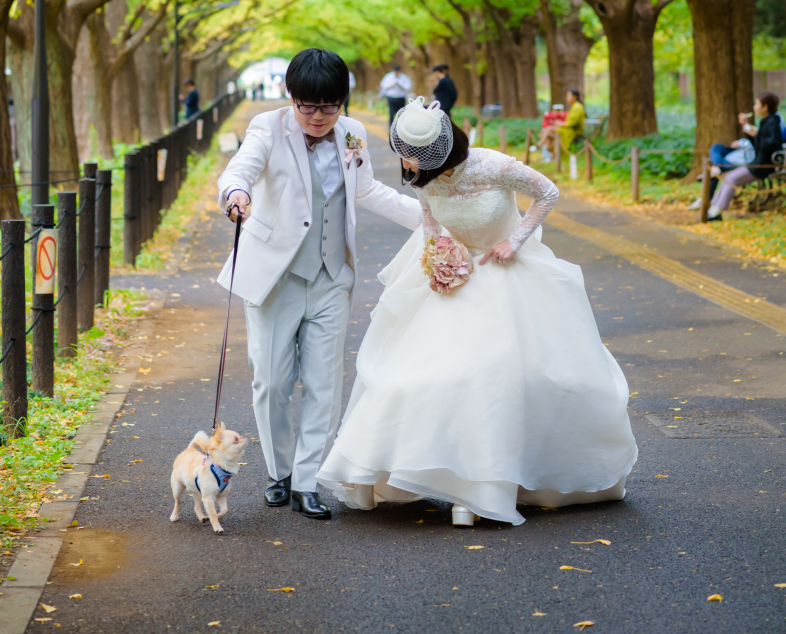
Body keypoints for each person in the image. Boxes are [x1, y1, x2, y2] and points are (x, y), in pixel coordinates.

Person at [318, 97, 637, 527]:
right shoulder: (422, 176)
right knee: (424, 377)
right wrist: (438, 258)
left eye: (414, 157)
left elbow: (547, 192)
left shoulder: (492, 166)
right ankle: (443, 478)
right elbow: (430, 221)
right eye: (405, 154)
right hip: (457, 277)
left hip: (508, 274)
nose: (407, 164)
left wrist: (516, 239)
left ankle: (489, 486)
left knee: (504, 375)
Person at [217, 48, 421, 520]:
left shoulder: (352, 134)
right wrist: (236, 193)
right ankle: (279, 472)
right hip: (275, 276)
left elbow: (368, 190)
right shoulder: (268, 127)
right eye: (308, 106)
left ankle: (307, 481)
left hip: (332, 277)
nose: (317, 116)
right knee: (272, 381)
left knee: (325, 385)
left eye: (329, 106)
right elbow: (241, 168)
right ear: (293, 98)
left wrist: (430, 220)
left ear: (343, 103)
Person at [706, 92, 783, 220]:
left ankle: (715, 212)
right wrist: (748, 130)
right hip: (757, 163)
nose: (754, 106)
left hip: (763, 166)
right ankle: (713, 210)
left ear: (765, 107)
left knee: (731, 179)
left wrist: (755, 135)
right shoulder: (767, 121)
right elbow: (758, 144)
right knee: (729, 177)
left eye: (757, 103)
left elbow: (773, 145)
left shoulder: (772, 122)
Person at [539, 90, 584, 158]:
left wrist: (560, 123)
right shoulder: (574, 106)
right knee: (548, 134)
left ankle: (543, 145)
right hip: (567, 128)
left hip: (570, 131)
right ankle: (549, 152)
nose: (567, 98)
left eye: (569, 96)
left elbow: (571, 123)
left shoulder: (577, 107)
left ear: (574, 97)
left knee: (548, 131)